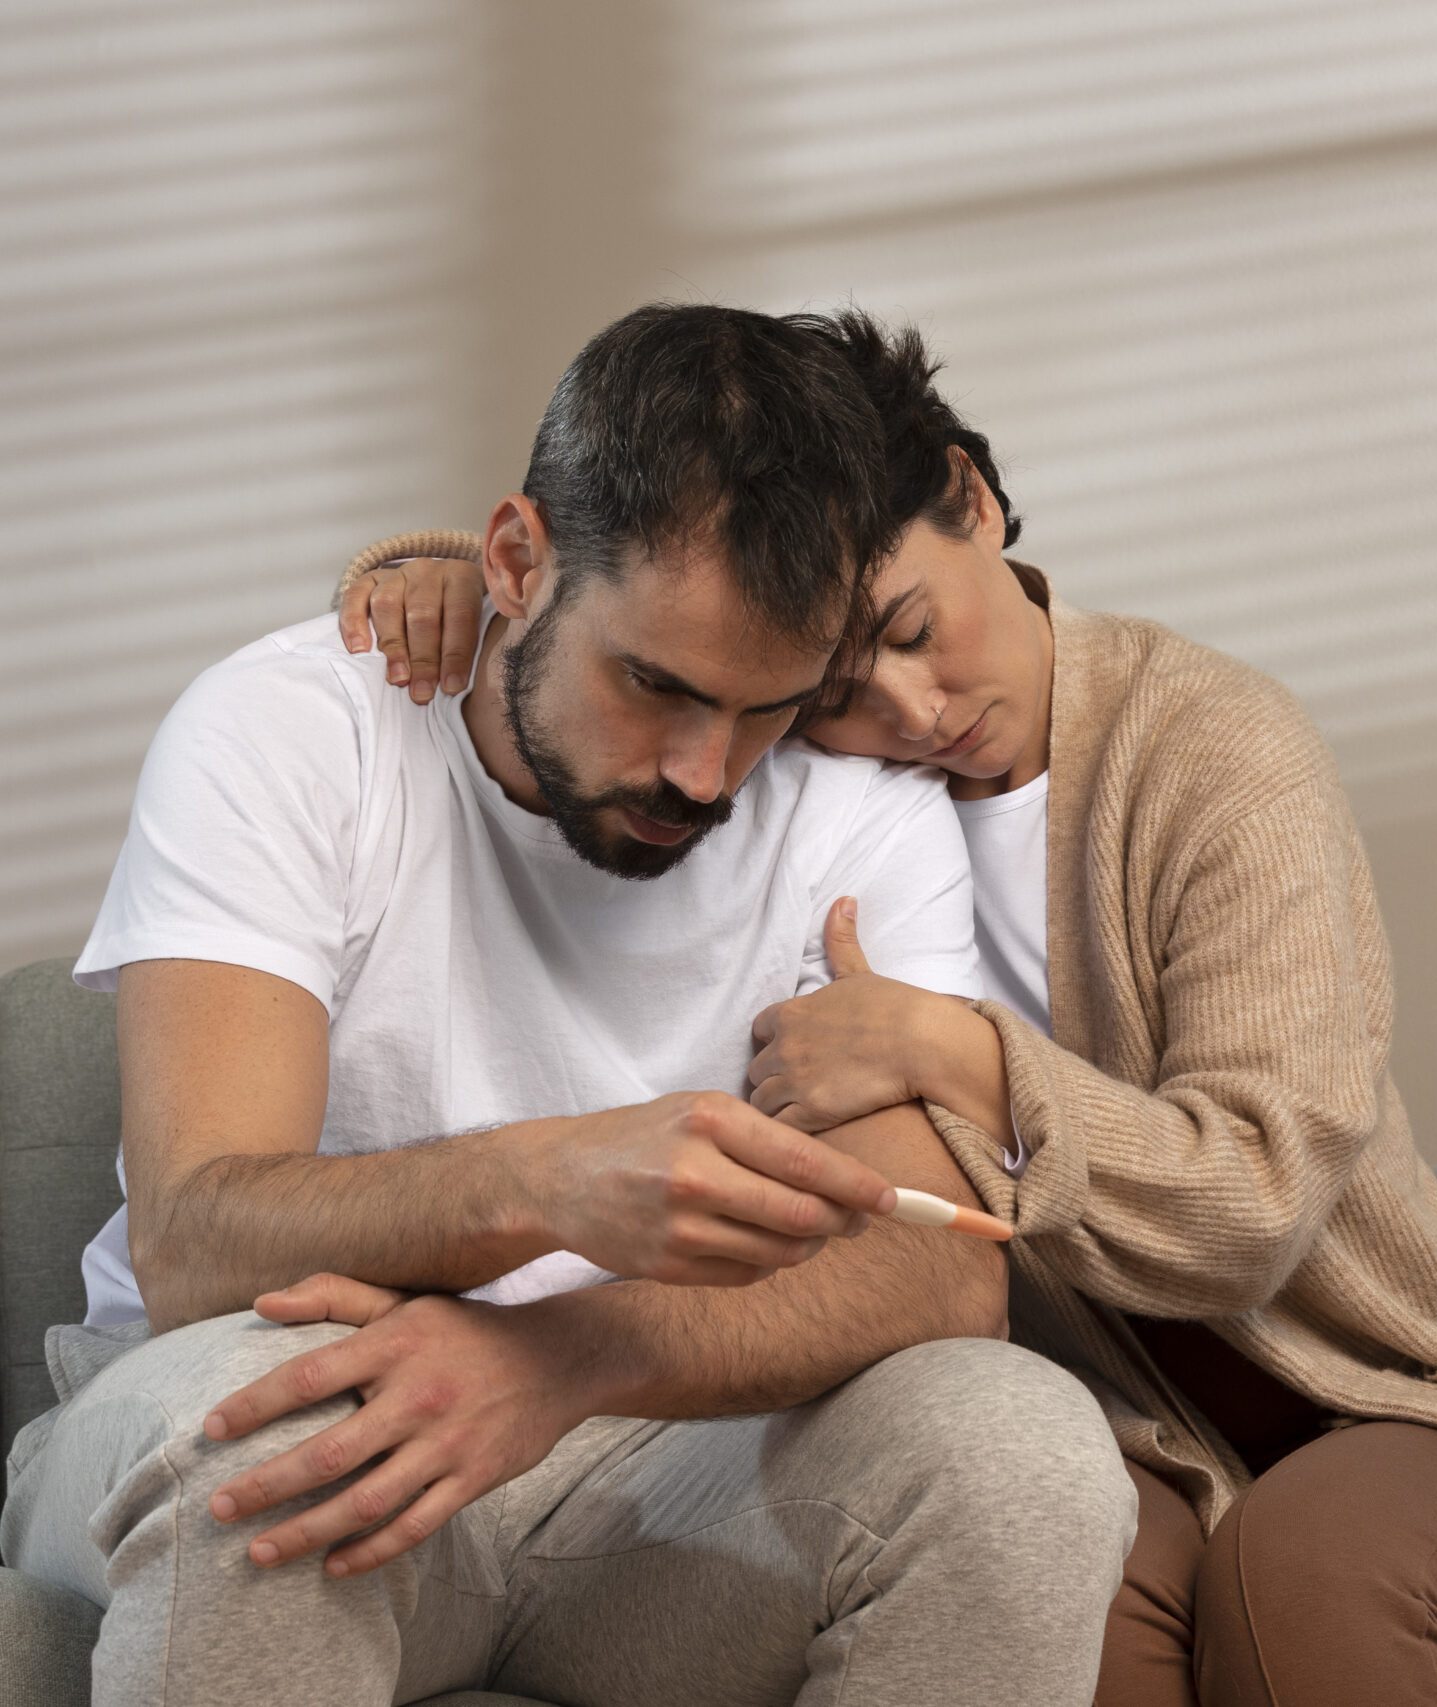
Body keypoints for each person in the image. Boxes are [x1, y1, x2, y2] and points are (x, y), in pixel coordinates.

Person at [337, 312, 1437, 1707]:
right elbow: (633, 606)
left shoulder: (1212, 749)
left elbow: (1255, 1203)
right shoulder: (810, 797)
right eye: (835, 687)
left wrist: (963, 1055)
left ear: (977, 502)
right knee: (1050, 1578)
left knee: (1303, 1585)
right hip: (1127, 1432)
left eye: (913, 630)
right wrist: (457, 580)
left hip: (1390, 1397)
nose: (908, 706)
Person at [1, 305, 1136, 1707]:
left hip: (639, 1450)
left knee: (1022, 1445)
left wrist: (566, 1352)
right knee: (276, 1444)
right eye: (654, 685)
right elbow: (194, 1240)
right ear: (516, 562)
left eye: (766, 708)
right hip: (266, 1376)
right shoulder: (287, 733)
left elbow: (941, 1272)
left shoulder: (856, 814)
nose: (706, 774)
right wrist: (549, 1182)